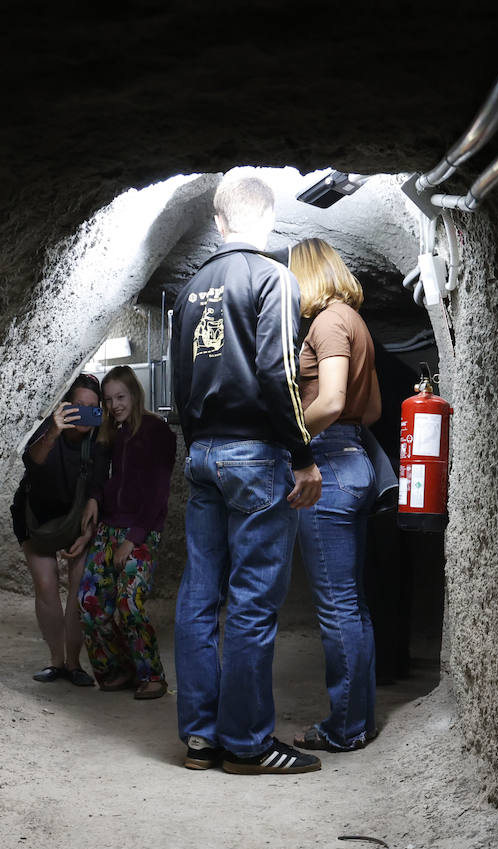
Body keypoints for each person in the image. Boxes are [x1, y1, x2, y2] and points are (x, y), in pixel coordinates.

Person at [170, 170, 324, 775]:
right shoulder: (272, 278)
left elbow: (182, 385)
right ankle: (247, 743)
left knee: (198, 598)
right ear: (269, 219)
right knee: (254, 601)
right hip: (255, 455)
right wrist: (304, 455)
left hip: (203, 452)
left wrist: (197, 446)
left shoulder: (189, 290)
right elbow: (277, 373)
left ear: (218, 221)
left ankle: (202, 739)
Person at [288, 237, 383, 752]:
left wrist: (290, 433)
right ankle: (360, 721)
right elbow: (370, 412)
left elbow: (333, 400)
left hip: (328, 465)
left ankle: (344, 729)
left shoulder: (327, 322)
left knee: (337, 609)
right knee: (353, 606)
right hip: (356, 460)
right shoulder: (356, 323)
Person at [75, 365, 178, 699]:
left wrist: (132, 539)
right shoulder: (110, 432)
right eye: (109, 400)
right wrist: (94, 499)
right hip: (108, 527)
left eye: (120, 397)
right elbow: (105, 479)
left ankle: (152, 676)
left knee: (128, 603)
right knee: (89, 602)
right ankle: (116, 669)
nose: (115, 404)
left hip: (141, 530)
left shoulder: (157, 431)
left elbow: (157, 492)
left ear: (135, 393)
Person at [10, 373, 108, 687]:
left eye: (92, 407)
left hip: (76, 520)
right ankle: (55, 661)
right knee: (46, 586)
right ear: (66, 405)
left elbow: (98, 488)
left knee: (78, 589)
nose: (84, 412)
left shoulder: (99, 442)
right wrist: (54, 429)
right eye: (77, 405)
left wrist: (86, 534)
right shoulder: (49, 429)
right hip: (35, 518)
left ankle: (73, 663)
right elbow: (32, 461)